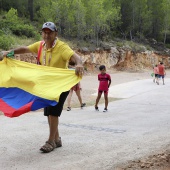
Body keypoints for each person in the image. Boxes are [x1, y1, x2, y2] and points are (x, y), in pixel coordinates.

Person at [1, 22, 84, 153]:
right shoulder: (40, 46)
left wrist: (79, 64)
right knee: (48, 113)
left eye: (50, 32)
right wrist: (8, 53)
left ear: (55, 33)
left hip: (60, 85)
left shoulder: (62, 47)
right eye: (44, 32)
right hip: (46, 85)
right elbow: (24, 49)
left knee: (53, 112)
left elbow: (76, 57)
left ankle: (50, 141)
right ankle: (57, 139)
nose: (47, 35)